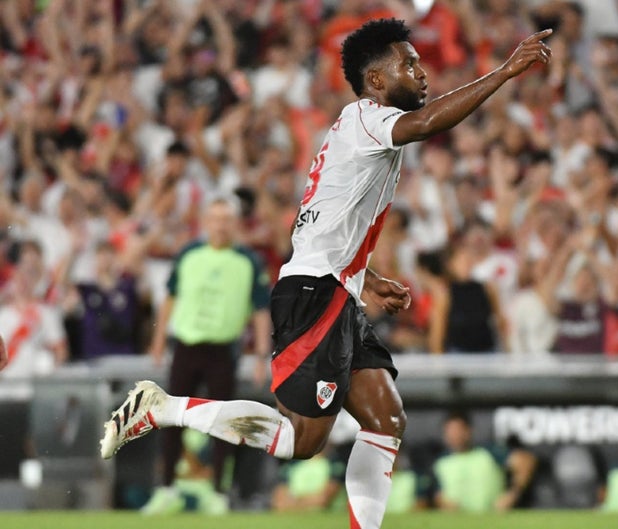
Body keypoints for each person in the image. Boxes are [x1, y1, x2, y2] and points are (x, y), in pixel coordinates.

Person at [101, 18, 552, 529]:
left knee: (385, 419)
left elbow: (317, 220)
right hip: (315, 294)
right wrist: (505, 71)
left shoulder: (356, 129)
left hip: (336, 288)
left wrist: (366, 275)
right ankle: (163, 409)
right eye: (409, 64)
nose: (422, 72)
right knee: (300, 440)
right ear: (376, 80)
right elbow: (427, 123)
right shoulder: (368, 118)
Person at [139, 196, 273, 515]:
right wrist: (158, 340)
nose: (220, 225)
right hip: (186, 346)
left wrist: (261, 355)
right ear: (205, 222)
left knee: (222, 422)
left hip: (223, 349)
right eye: (215, 219)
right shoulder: (189, 254)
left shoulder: (248, 261)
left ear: (235, 224)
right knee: (172, 418)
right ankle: (167, 488)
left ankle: (218, 492)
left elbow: (260, 310)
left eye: (226, 219)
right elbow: (170, 297)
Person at [430, 411, 536, 512]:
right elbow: (437, 494)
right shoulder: (439, 462)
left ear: (469, 430)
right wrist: (443, 504)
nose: (455, 435)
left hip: (492, 518)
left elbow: (526, 461)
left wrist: (512, 494)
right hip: (456, 519)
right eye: (450, 431)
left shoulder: (489, 452)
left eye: (458, 430)